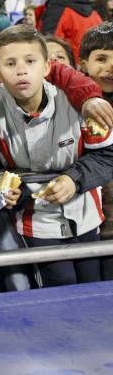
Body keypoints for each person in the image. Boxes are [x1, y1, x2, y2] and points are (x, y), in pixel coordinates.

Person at [0, 26, 113, 287]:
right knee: (58, 299)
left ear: (47, 67)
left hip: (88, 219)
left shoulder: (80, 99)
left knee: (94, 295)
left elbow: (107, 155)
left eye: (30, 61)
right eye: (10, 63)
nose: (21, 70)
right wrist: (14, 191)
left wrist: (74, 179)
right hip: (36, 224)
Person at [78, 24, 113, 279]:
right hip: (94, 224)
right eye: (101, 58)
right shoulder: (73, 106)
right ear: (82, 64)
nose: (110, 67)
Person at [36, 0, 103, 62]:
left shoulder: (56, 9)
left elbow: (48, 44)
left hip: (73, 69)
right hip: (98, 63)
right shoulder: (90, 8)